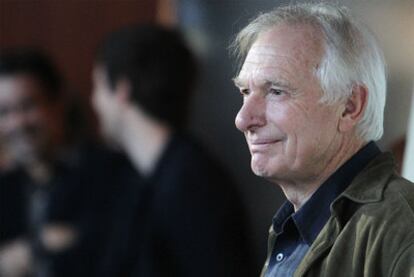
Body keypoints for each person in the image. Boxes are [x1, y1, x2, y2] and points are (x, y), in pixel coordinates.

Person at [231, 3, 414, 277]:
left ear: (349, 106)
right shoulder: (297, 227)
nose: (243, 119)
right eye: (246, 91)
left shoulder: (402, 228)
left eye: (276, 91)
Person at [91, 24, 255, 277]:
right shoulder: (152, 175)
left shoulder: (190, 181)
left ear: (122, 90)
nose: (94, 101)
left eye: (98, 87)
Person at [0, 48, 107, 277]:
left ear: (58, 104)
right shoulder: (5, 186)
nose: (17, 123)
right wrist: (35, 249)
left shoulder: (107, 175)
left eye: (28, 106)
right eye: (4, 112)